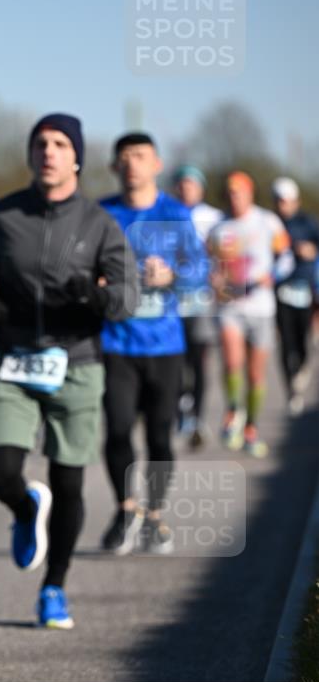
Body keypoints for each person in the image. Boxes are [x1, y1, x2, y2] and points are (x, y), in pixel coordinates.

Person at [0, 113, 135, 628]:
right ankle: (23, 507)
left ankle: (54, 587)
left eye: (60, 143)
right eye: (41, 143)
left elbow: (128, 296)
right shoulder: (3, 215)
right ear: (30, 154)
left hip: (76, 363)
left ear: (77, 156)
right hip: (13, 359)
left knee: (70, 482)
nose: (49, 151)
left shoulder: (99, 223)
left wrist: (98, 296)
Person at [99, 134, 208, 556]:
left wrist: (173, 277)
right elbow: (80, 266)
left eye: (140, 157)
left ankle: (156, 515)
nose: (132, 165)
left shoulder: (176, 214)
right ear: (114, 167)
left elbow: (199, 269)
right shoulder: (102, 214)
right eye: (123, 158)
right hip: (116, 343)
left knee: (160, 437)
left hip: (164, 344)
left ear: (157, 164)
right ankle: (125, 510)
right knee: (119, 430)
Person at [207, 171, 293, 456]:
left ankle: (251, 429)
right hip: (230, 306)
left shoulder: (267, 221)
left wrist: (272, 276)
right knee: (232, 362)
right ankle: (233, 411)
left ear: (250, 194)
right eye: (230, 193)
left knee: (256, 375)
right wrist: (215, 279)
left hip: (261, 307)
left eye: (240, 193)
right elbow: (209, 264)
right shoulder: (218, 227)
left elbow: (286, 258)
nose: (235, 198)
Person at [172, 164, 223, 448]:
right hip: (172, 300)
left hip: (202, 299)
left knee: (199, 361)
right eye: (182, 184)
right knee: (176, 362)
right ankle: (182, 411)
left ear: (200, 188)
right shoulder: (166, 215)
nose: (186, 189)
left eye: (191, 184)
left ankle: (198, 417)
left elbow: (227, 252)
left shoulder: (214, 218)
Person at [271, 176, 319, 415]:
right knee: (285, 343)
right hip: (280, 290)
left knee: (302, 342)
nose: (283, 206)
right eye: (279, 201)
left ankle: (301, 371)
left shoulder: (308, 223)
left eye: (287, 201)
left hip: (303, 289)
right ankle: (290, 385)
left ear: (296, 201)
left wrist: (310, 250)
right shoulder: (271, 223)